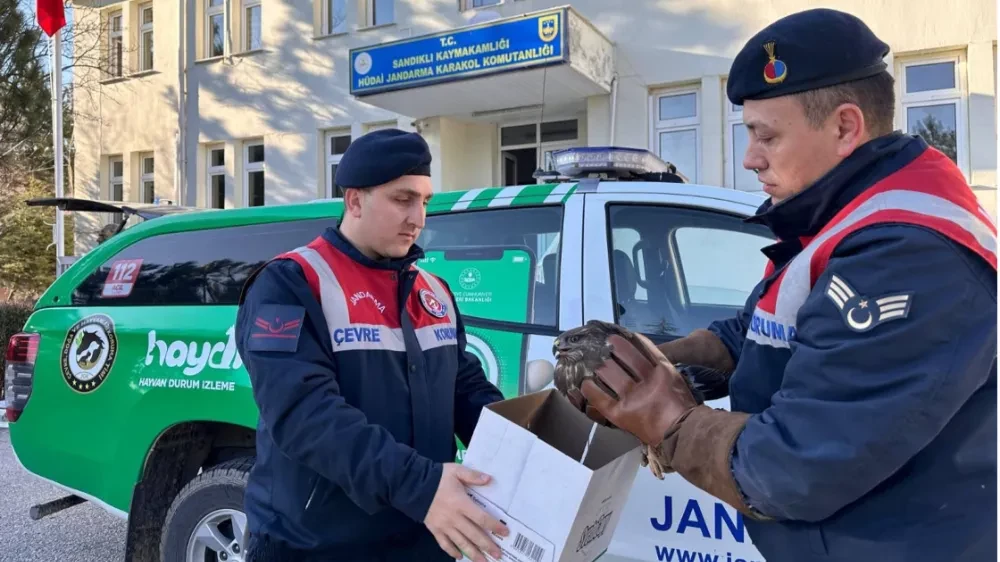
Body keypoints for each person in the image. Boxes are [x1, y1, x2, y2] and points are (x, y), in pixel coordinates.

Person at [570, 8, 997, 562]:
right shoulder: (844, 218)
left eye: (764, 136)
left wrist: (666, 419)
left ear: (845, 127)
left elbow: (793, 467)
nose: (749, 159)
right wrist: (654, 360)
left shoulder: (908, 254)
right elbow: (762, 329)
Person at [234, 128, 510, 562]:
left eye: (425, 201)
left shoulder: (434, 290)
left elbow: (466, 391)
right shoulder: (290, 282)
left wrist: (529, 450)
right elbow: (304, 415)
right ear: (355, 201)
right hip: (318, 545)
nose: (419, 218)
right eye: (403, 199)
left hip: (424, 537)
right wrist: (421, 487)